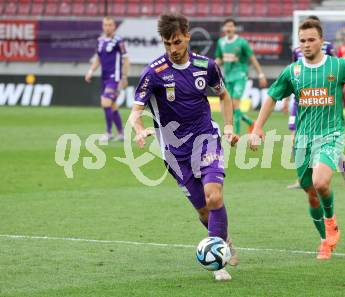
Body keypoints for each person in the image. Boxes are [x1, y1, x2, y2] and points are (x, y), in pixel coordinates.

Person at [250, 19, 345, 260]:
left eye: (311, 40)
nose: (306, 44)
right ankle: (325, 240)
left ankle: (331, 221)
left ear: (322, 42)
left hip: (331, 135)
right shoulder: (292, 72)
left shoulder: (338, 66)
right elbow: (272, 97)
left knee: (321, 182)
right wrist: (258, 128)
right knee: (311, 192)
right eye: (302, 41)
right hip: (303, 140)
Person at [129, 13, 238, 281]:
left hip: (206, 139)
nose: (173, 49)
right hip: (175, 153)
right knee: (203, 209)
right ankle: (225, 241)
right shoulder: (153, 73)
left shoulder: (206, 66)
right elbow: (135, 111)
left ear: (187, 36)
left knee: (214, 196)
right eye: (167, 44)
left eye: (177, 42)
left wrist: (228, 126)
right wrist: (140, 128)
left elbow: (223, 95)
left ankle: (218, 259)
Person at [285, 15, 345, 189]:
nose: (307, 42)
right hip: (300, 100)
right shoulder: (296, 51)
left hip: (321, 100)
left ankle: (344, 169)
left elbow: (335, 70)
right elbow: (290, 77)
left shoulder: (328, 48)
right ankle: (302, 178)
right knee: (295, 141)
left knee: (324, 143)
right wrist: (286, 99)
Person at [215, 18, 267, 135]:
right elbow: (220, 59)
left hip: (240, 76)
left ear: (234, 28)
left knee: (235, 103)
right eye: (227, 26)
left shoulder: (242, 42)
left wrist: (261, 74)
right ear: (224, 28)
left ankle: (235, 134)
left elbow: (252, 58)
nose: (229, 28)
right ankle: (250, 122)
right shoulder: (221, 42)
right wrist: (210, 66)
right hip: (227, 77)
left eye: (231, 26)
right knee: (229, 105)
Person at [85, 16, 129, 141]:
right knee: (113, 105)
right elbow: (98, 59)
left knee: (105, 102)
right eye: (105, 25)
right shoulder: (100, 41)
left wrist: (124, 76)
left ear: (114, 26)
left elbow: (126, 59)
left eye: (110, 25)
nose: (108, 27)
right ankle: (121, 133)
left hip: (114, 78)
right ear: (102, 26)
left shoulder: (118, 41)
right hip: (104, 77)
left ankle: (108, 133)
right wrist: (90, 71)